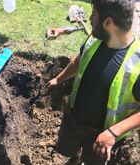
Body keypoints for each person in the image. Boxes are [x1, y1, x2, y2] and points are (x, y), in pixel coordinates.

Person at [46, 0, 140, 164]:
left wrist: (112, 132)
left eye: (94, 14)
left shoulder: (137, 65)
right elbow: (80, 60)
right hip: (73, 116)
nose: (89, 19)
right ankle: (75, 158)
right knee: (69, 148)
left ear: (108, 22)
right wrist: (58, 79)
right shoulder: (95, 39)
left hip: (101, 135)